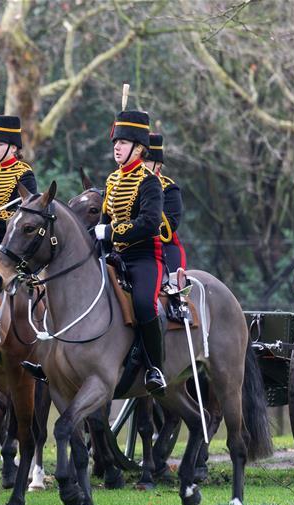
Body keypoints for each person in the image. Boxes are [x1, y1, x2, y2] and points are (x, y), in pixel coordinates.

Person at [96, 110, 166, 395]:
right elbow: (102, 222)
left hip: (144, 257)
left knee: (143, 304)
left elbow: (149, 223)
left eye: (123, 143)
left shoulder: (150, 182)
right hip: (116, 259)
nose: (117, 147)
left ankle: (154, 368)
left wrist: (111, 233)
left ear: (138, 148)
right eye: (116, 142)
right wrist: (98, 244)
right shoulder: (112, 181)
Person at [0, 114, 38, 244]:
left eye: (0, 144)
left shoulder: (24, 174)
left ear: (13, 148)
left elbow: (26, 213)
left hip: (7, 240)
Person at [145, 133, 187, 273]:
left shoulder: (169, 188)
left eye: (146, 161)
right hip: (126, 247)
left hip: (164, 247)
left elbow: (170, 224)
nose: (140, 166)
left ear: (158, 164)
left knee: (174, 288)